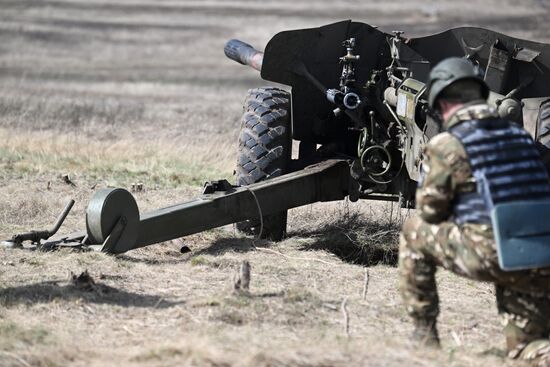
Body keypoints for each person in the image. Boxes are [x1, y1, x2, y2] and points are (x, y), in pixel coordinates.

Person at [399, 57, 550, 365]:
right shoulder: (520, 137)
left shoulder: (448, 144)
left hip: (490, 251)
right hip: (538, 253)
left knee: (414, 230)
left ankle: (423, 337)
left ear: (442, 103)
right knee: (528, 348)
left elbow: (430, 212)